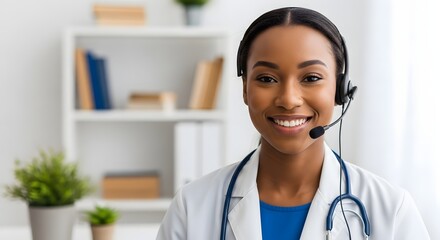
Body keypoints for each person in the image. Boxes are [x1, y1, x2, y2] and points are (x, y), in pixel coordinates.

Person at [157, 7, 430, 240]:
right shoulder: (192, 207)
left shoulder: (391, 209)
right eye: (266, 78)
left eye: (311, 78)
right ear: (244, 89)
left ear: (340, 90)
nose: (288, 100)